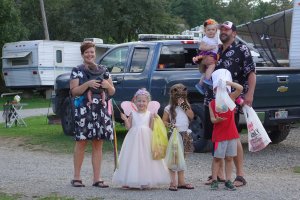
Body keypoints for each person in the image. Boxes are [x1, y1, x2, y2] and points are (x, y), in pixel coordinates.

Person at [203, 21, 256, 187]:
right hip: (212, 98)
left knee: (232, 135)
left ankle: (240, 176)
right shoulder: (216, 49)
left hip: (230, 99)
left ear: (234, 32)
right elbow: (205, 71)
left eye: (226, 29)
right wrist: (203, 62)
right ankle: (217, 175)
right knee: (217, 134)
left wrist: (250, 94)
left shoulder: (241, 49)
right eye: (221, 29)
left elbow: (251, 72)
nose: (223, 32)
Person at [69, 41, 115, 188]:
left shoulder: (104, 69)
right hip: (84, 109)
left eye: (92, 52)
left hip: (100, 110)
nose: (90, 54)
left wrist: (108, 86)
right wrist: (87, 85)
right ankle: (76, 177)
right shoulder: (77, 70)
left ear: (95, 54)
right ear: (82, 54)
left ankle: (97, 178)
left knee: (98, 142)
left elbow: (112, 91)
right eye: (87, 52)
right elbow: (74, 91)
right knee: (81, 142)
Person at [112, 88, 170, 189]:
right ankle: (130, 180)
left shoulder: (150, 115)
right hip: (133, 139)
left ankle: (146, 179)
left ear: (148, 102)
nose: (141, 103)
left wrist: (156, 120)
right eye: (139, 101)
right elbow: (128, 127)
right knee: (132, 158)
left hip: (146, 139)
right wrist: (125, 119)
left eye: (144, 101)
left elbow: (151, 128)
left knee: (146, 158)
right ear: (134, 101)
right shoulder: (132, 114)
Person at [209, 69, 243, 190]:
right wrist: (216, 120)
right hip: (219, 135)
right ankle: (214, 179)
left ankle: (228, 180)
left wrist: (228, 83)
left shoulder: (231, 98)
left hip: (231, 134)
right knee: (217, 158)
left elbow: (240, 88)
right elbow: (212, 119)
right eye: (218, 87)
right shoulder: (212, 103)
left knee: (229, 158)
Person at [162, 83, 195, 191]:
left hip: (185, 134)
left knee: (182, 159)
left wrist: (184, 105)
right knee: (174, 158)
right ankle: (173, 182)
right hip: (175, 135)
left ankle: (181, 182)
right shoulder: (168, 108)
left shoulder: (186, 106)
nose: (179, 99)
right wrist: (171, 125)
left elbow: (191, 116)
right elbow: (164, 121)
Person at [193, 18, 219, 95]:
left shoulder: (216, 38)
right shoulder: (205, 38)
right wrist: (210, 47)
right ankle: (208, 79)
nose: (211, 31)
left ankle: (200, 84)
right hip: (207, 54)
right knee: (212, 65)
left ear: (216, 30)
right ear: (205, 31)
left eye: (213, 29)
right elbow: (201, 47)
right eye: (208, 30)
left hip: (212, 55)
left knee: (206, 71)